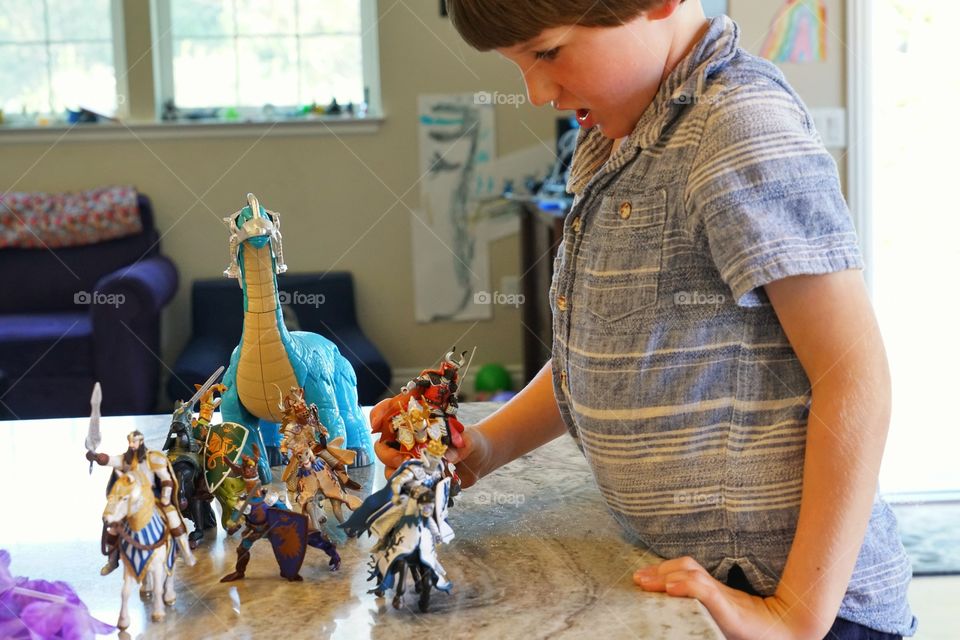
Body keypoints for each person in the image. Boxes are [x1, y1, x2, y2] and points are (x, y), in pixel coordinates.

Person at [374, 1, 917, 638]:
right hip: (707, 583)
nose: (537, 92)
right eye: (518, 65)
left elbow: (855, 377)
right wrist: (486, 448)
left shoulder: (738, 126)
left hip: (798, 603)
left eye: (547, 53)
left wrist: (797, 615)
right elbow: (605, 353)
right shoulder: (619, 133)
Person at [87, 430, 196, 574]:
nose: (132, 445)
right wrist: (95, 457)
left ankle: (186, 553)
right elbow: (108, 460)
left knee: (173, 518)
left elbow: (166, 479)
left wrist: (165, 497)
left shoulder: (154, 459)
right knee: (113, 527)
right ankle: (112, 561)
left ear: (141, 442)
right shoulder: (125, 459)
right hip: (130, 500)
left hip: (154, 497)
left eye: (135, 442)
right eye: (130, 442)